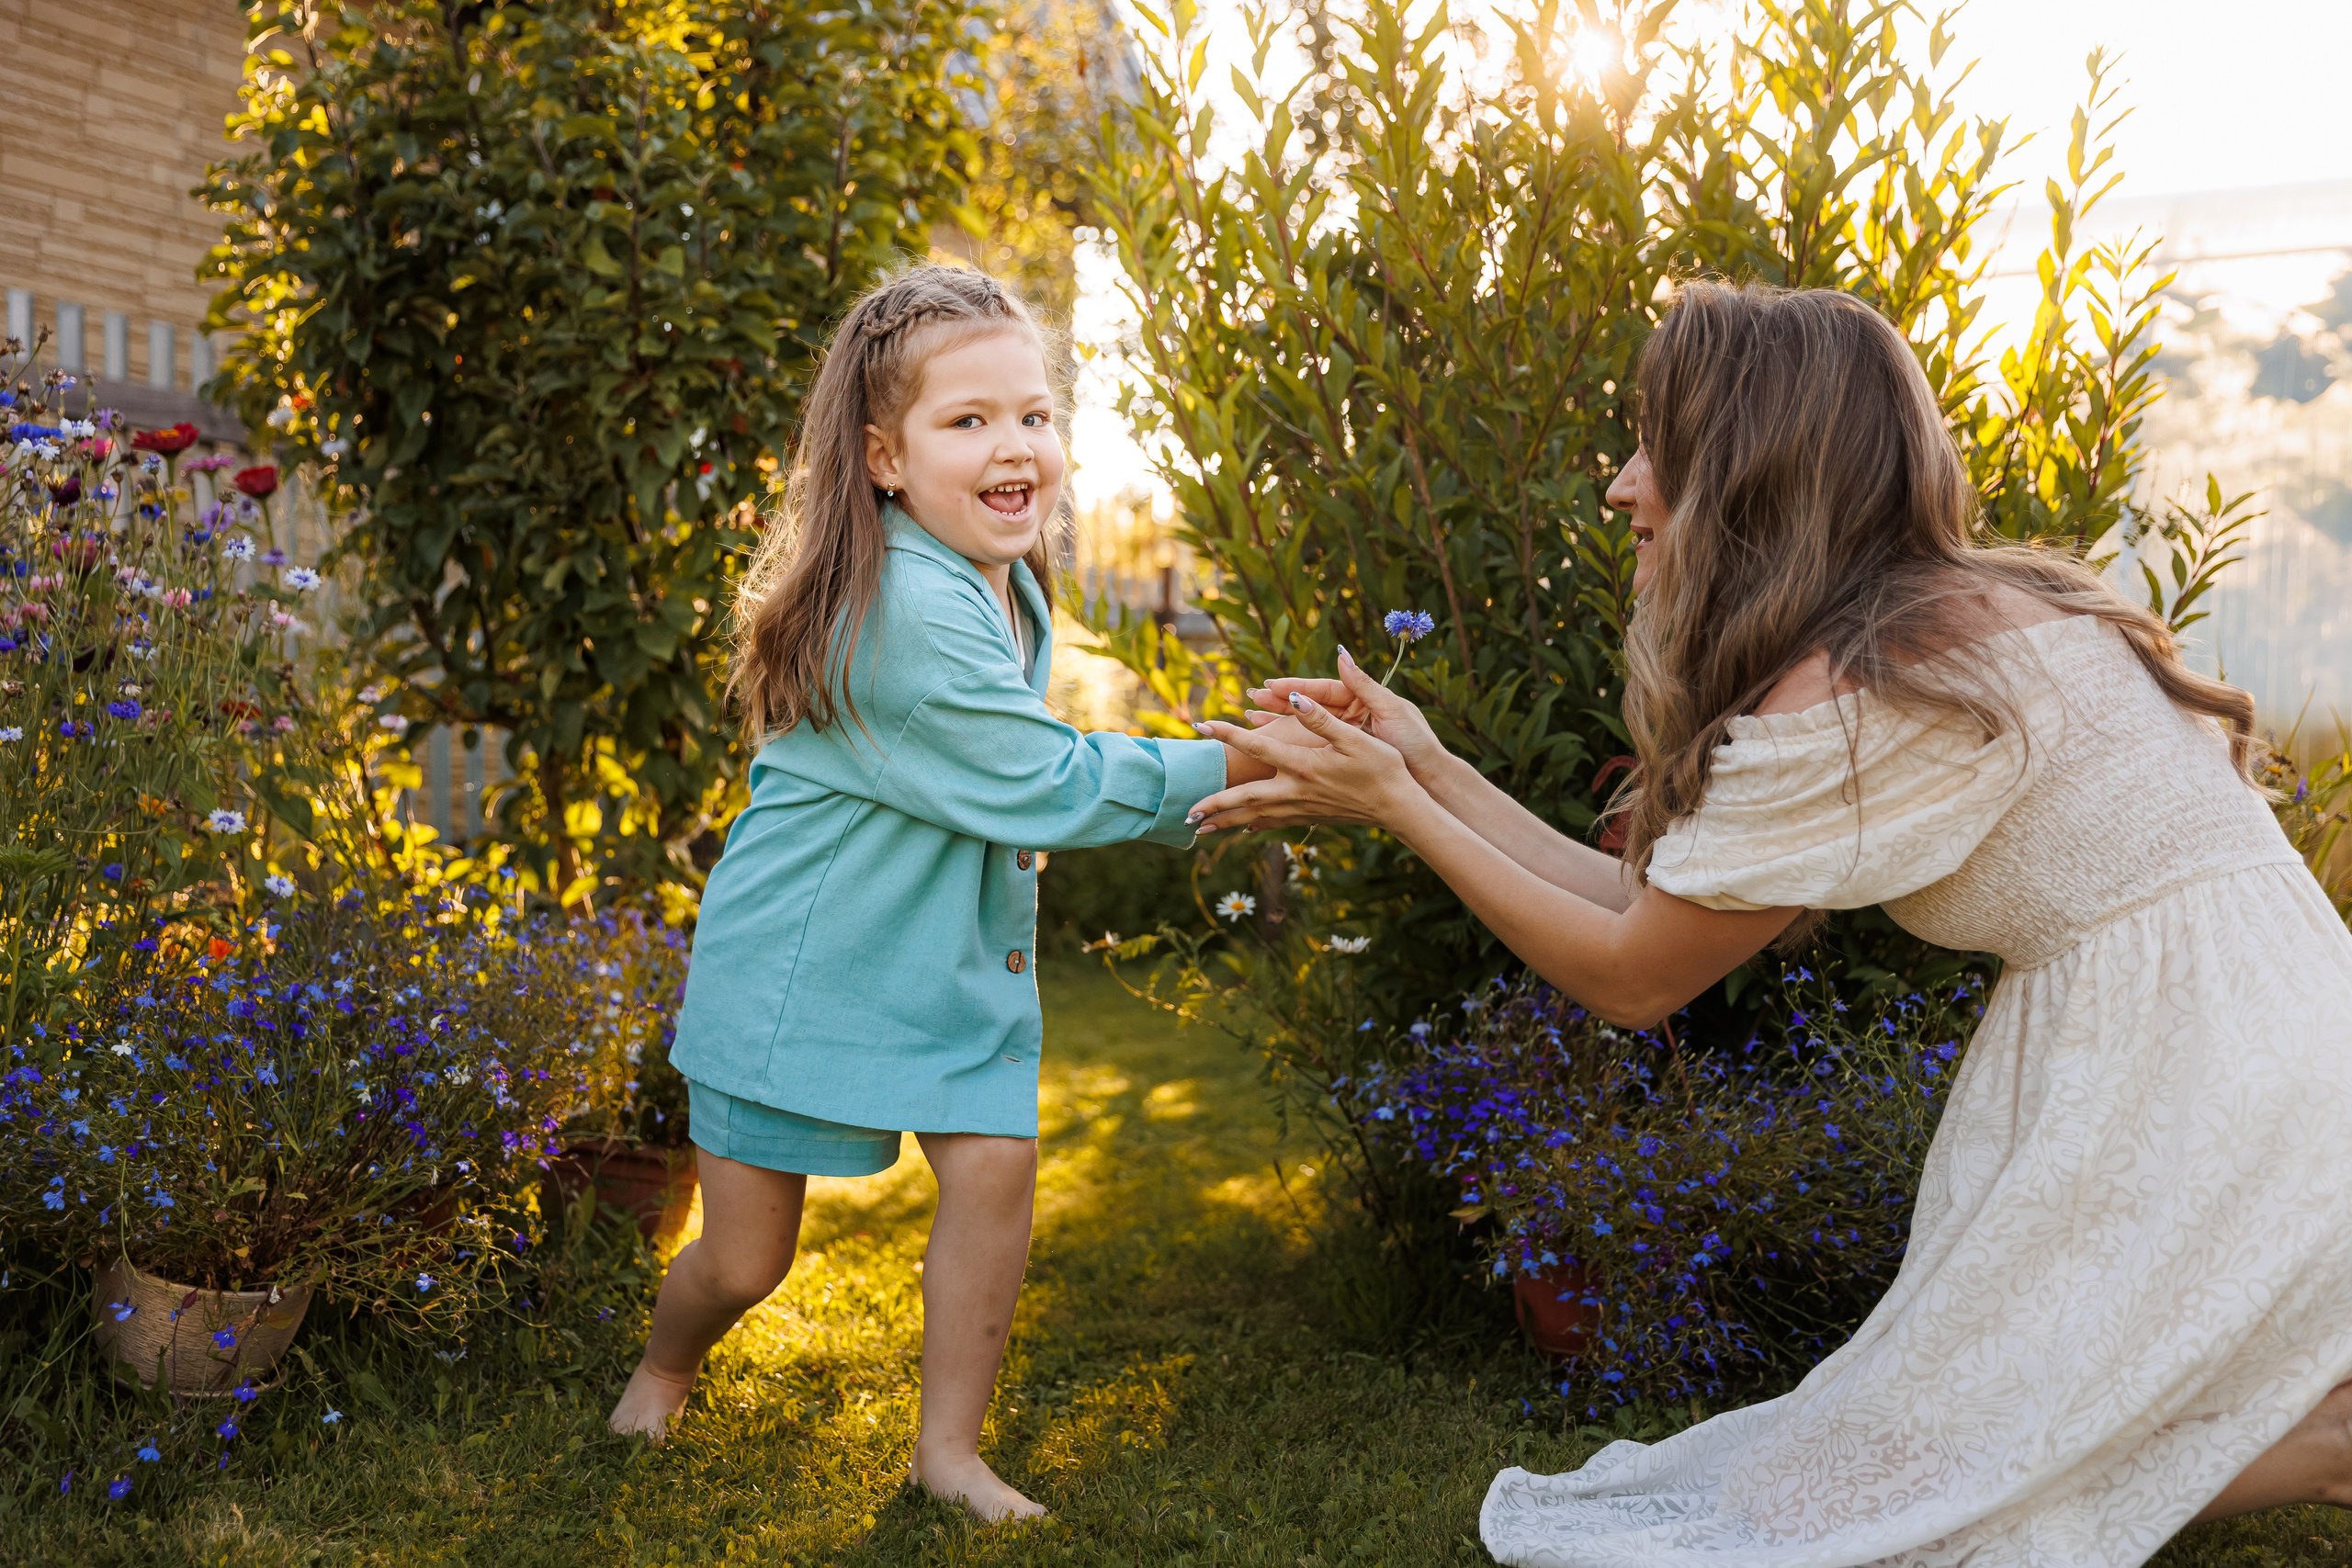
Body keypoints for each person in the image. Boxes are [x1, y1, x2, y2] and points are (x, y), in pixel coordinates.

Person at [1183, 281, 2352, 1564]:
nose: (1623, 488)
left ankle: (2324, 1446)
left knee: (1865, 1500)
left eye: (1654, 452)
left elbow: (1633, 981)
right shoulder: (1955, 624)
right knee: (1905, 1459)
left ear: (1743, 472)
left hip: (2198, 1075)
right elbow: (1643, 909)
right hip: (2256, 1020)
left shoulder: (1869, 688)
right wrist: (1432, 769)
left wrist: (1402, 808)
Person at [605, 265, 1286, 1522]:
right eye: (966, 422)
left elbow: (1007, 771)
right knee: (747, 1259)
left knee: (996, 1168)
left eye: (1032, 414)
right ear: (883, 457)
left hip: (943, 956)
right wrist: (1258, 762)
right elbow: (1042, 779)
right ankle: (663, 1361)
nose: (1013, 445)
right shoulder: (904, 605)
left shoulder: (1000, 577)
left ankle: (948, 1452)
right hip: (806, 967)